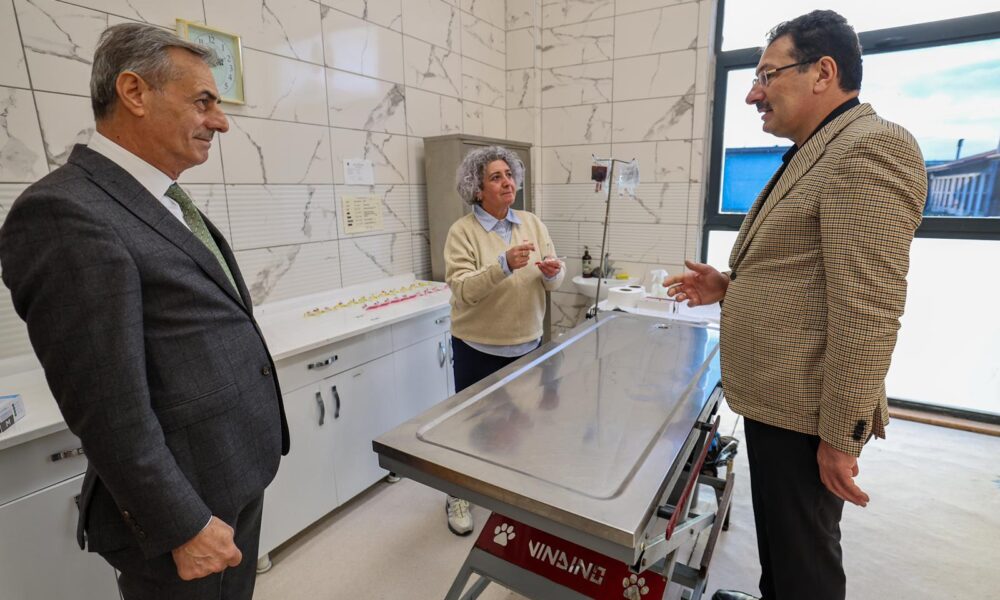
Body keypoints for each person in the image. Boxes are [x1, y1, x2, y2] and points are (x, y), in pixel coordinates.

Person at [0, 23, 289, 600]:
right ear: (134, 92)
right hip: (183, 510)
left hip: (229, 473)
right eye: (203, 102)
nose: (221, 122)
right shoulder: (64, 212)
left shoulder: (160, 200)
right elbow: (108, 408)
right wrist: (183, 524)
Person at [663, 11, 927, 600]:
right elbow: (806, 273)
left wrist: (841, 437)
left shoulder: (869, 148)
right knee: (783, 544)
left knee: (805, 558)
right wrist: (729, 286)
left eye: (767, 75)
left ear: (822, 72)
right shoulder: (818, 151)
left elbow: (868, 308)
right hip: (778, 402)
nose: (754, 94)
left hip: (808, 415)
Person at [442, 145, 564, 535]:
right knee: (472, 428)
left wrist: (553, 273)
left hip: (527, 346)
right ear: (477, 189)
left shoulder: (532, 223)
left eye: (509, 175)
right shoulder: (462, 233)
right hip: (477, 348)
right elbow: (464, 291)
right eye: (496, 177)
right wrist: (503, 265)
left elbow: (552, 281)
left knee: (520, 426)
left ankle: (509, 492)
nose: (507, 182)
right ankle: (458, 494)